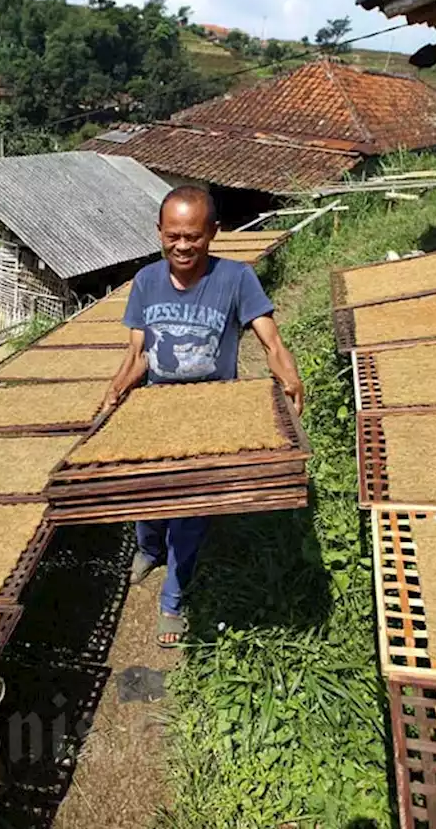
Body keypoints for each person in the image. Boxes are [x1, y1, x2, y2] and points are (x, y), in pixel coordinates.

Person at [101, 185, 305, 648]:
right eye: (172, 236)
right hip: (157, 409)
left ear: (213, 232)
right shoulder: (147, 281)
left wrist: (289, 375)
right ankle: (148, 549)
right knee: (148, 493)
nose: (182, 246)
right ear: (159, 233)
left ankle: (173, 599)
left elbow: (270, 340)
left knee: (190, 513)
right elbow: (137, 355)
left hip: (212, 414)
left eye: (193, 236)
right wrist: (113, 393)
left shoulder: (235, 279)